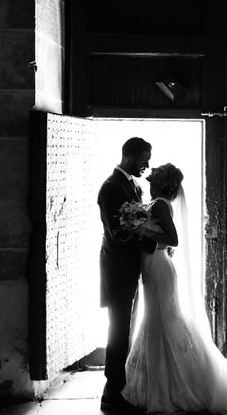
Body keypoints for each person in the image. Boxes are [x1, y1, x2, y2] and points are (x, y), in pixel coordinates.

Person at [122, 163, 227, 415]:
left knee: (163, 319)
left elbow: (173, 240)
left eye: (156, 174)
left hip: (159, 269)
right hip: (153, 268)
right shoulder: (154, 203)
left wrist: (141, 230)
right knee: (159, 319)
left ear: (163, 183)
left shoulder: (160, 203)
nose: (151, 174)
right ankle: (159, 380)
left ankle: (176, 385)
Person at [97, 137, 157, 414]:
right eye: (144, 160)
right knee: (118, 331)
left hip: (129, 270)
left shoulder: (131, 185)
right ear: (130, 157)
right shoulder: (111, 188)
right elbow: (118, 233)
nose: (147, 166)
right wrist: (152, 244)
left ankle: (120, 387)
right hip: (117, 271)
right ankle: (112, 393)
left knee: (125, 330)